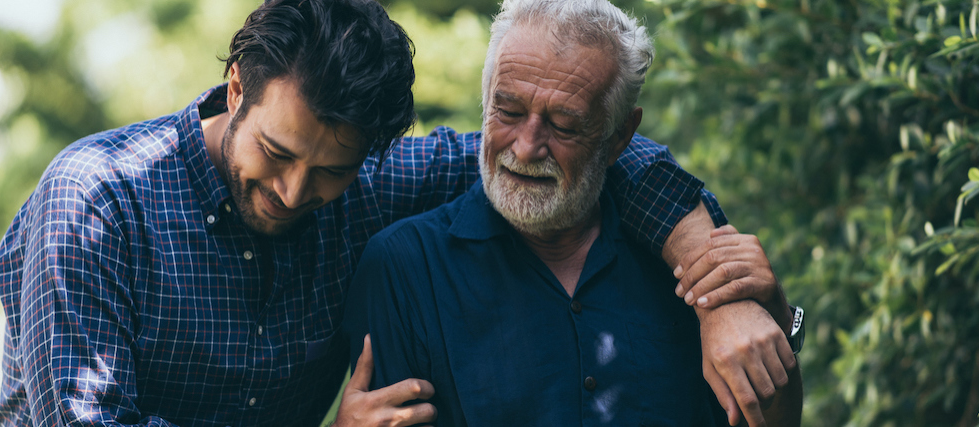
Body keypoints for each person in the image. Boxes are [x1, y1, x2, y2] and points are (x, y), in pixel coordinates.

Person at [0, 0, 793, 426]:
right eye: (275, 151)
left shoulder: (371, 185)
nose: (294, 192)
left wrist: (717, 283)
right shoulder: (97, 201)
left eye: (329, 171)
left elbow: (578, 155)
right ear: (236, 87)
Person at [343, 0, 803, 425]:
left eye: (564, 125)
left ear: (620, 137)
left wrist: (774, 322)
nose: (526, 148)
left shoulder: (691, 256)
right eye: (508, 111)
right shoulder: (404, 268)